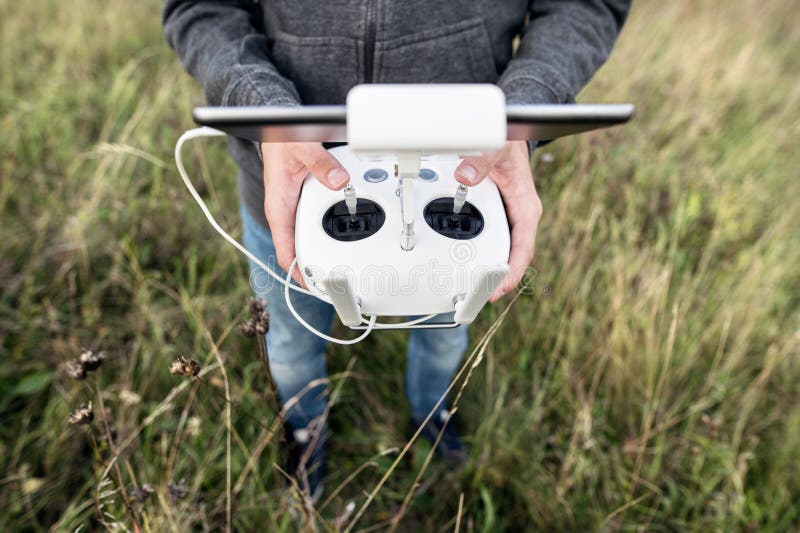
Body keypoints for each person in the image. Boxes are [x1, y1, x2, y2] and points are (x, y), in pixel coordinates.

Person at [163, 0, 630, 502]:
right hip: (288, 181)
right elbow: (203, 8)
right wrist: (262, 108)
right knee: (293, 338)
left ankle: (430, 410)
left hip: (465, 184)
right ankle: (304, 427)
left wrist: (521, 108)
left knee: (445, 333)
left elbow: (586, 6)